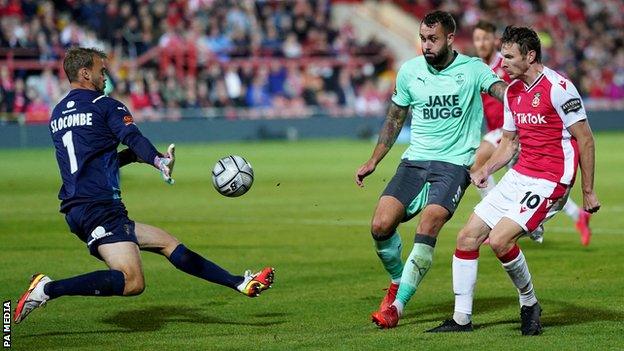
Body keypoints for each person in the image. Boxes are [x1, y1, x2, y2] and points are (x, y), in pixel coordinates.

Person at [13, 47, 275, 324]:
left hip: (80, 206)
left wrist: (132, 158)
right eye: (101, 70)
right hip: (99, 207)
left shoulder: (57, 114)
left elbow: (93, 162)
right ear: (85, 73)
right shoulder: (106, 105)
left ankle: (238, 283)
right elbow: (132, 136)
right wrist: (157, 161)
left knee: (167, 243)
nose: (106, 76)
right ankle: (47, 289)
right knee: (131, 281)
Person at [427, 26, 600, 335]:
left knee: (499, 239)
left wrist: (587, 191)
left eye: (508, 57)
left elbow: (585, 140)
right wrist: (486, 170)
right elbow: (509, 144)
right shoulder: (512, 92)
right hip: (519, 176)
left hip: (550, 180)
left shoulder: (559, 88)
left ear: (529, 56)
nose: (502, 63)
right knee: (466, 238)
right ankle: (461, 319)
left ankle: (529, 303)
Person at [354, 11, 507, 329]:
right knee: (380, 226)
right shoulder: (409, 71)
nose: (425, 45)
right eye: (422, 38)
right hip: (415, 161)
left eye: (432, 39)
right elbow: (395, 118)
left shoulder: (472, 69)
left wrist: (526, 97)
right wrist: (374, 160)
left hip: (453, 165)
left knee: (429, 224)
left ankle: (397, 307)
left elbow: (500, 91)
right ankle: (398, 280)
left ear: (450, 39)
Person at [472, 20, 592, 245]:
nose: (481, 43)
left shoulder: (506, 64)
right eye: (477, 39)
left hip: (514, 130)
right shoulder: (480, 68)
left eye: (485, 38)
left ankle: (504, 220)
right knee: (531, 179)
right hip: (506, 129)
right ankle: (573, 216)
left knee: (479, 160)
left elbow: (531, 89)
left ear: (494, 41)